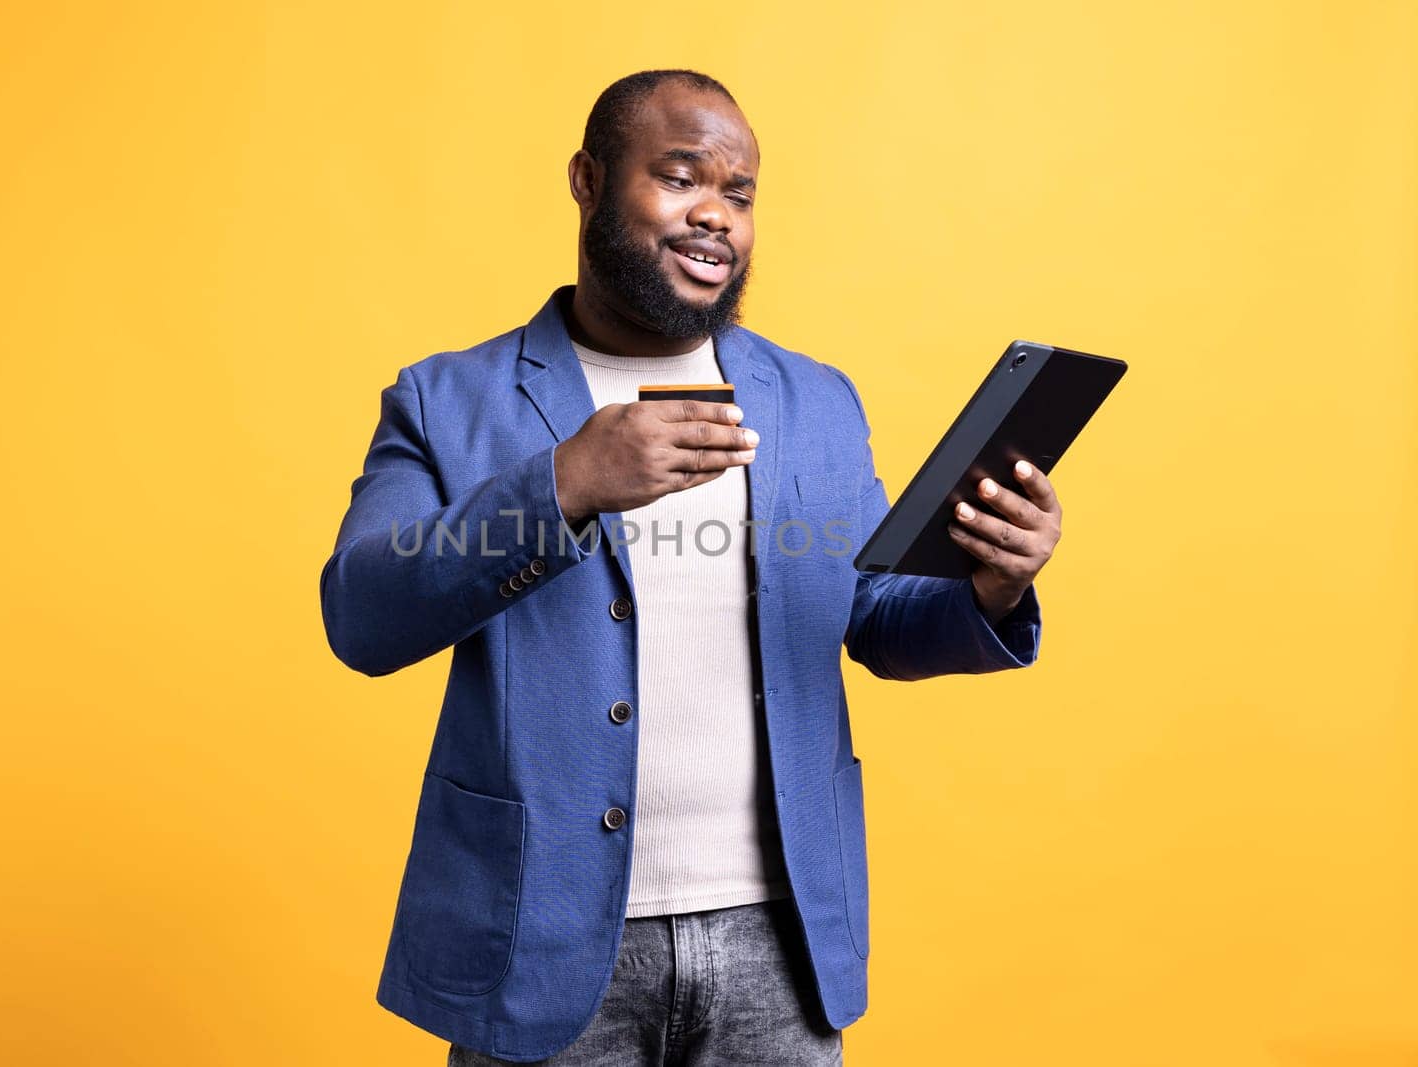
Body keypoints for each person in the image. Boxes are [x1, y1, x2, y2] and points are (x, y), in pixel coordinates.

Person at [320, 69, 1062, 1066]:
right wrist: (566, 482)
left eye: (739, 192)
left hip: (781, 942)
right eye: (679, 177)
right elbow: (363, 613)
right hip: (540, 944)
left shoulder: (815, 401)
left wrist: (990, 584)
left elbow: (875, 617)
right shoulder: (448, 399)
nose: (714, 212)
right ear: (587, 182)